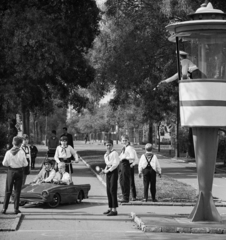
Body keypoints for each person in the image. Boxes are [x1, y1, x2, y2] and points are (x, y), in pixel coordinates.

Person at [1, 136, 28, 214]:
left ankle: (4, 208)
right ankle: (16, 209)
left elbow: (4, 163)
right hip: (19, 171)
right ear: (20, 144)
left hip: (11, 171)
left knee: (8, 190)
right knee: (17, 191)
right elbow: (25, 163)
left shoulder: (8, 152)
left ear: (13, 143)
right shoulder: (22, 152)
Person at [102, 139, 120, 216]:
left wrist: (108, 170)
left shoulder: (115, 153)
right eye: (107, 145)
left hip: (113, 172)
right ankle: (110, 207)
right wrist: (105, 170)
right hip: (108, 171)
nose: (108, 146)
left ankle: (114, 209)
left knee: (113, 189)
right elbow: (107, 164)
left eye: (109, 145)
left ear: (112, 145)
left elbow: (115, 164)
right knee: (108, 190)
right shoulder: (106, 154)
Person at [118, 135, 138, 203]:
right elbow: (120, 156)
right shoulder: (124, 148)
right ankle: (124, 195)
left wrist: (125, 158)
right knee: (121, 181)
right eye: (123, 140)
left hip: (126, 164)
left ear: (128, 141)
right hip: (122, 164)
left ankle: (126, 197)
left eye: (125, 140)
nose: (124, 142)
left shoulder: (129, 148)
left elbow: (132, 157)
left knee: (125, 181)